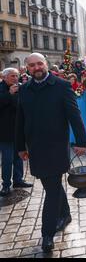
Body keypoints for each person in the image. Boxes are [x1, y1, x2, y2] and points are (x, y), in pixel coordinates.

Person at [15, 53, 86, 253]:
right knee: (51, 186)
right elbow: (20, 120)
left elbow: (74, 114)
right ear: (27, 68)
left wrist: (81, 141)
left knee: (52, 189)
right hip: (35, 148)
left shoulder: (62, 86)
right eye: (32, 65)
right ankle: (65, 214)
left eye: (40, 64)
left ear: (46, 64)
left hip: (56, 147)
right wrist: (20, 146)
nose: (36, 67)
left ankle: (47, 233)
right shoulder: (24, 90)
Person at [0, 68, 33, 197]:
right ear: (4, 77)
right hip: (4, 132)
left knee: (19, 157)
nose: (15, 78)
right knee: (7, 160)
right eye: (12, 76)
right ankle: (6, 185)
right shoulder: (2, 88)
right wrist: (10, 94)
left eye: (16, 76)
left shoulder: (21, 88)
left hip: (18, 130)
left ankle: (18, 180)